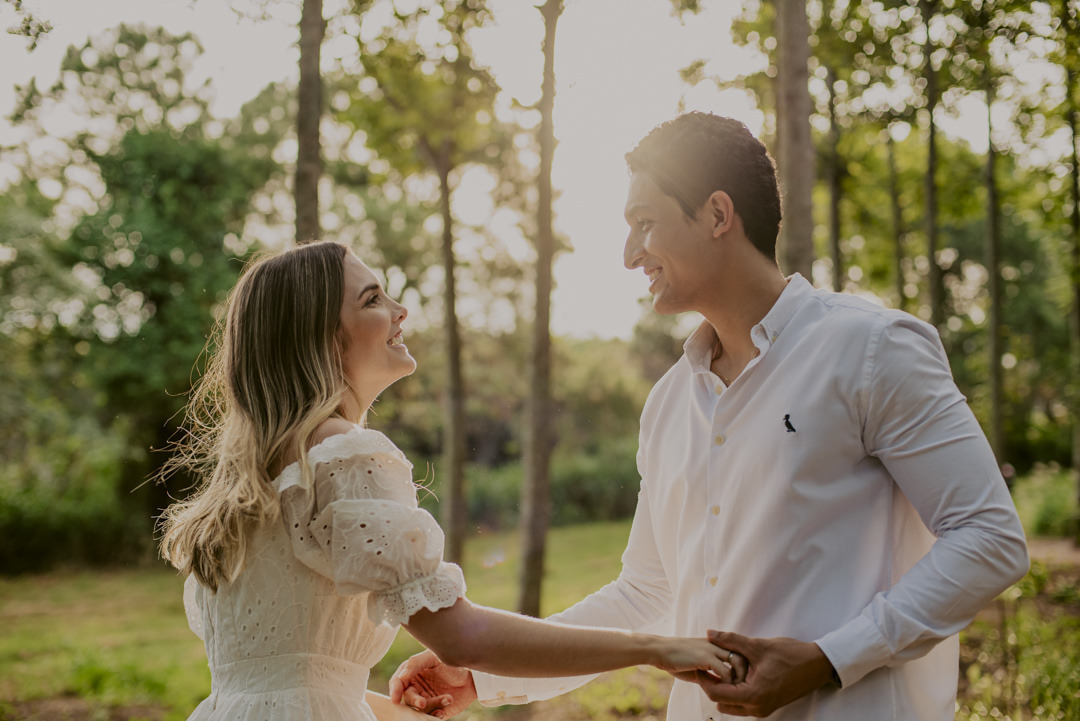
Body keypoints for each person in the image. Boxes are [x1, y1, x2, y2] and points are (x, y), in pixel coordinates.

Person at [390, 112, 1031, 720]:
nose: (628, 254)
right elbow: (646, 594)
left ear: (719, 214)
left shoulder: (872, 351)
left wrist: (830, 660)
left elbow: (988, 537)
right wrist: (486, 674)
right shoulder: (669, 403)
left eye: (644, 222)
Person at [157, 240, 745, 721]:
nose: (399, 310)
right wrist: (660, 649)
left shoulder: (250, 485)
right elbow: (463, 637)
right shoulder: (344, 455)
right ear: (324, 339)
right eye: (372, 299)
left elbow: (291, 695)